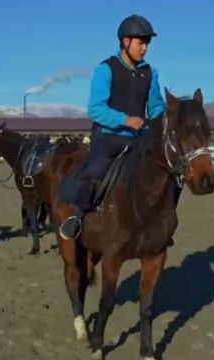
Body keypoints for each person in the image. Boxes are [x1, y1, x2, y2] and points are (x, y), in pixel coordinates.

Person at [58, 14, 167, 241]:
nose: (145, 48)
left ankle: (159, 221)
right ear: (125, 41)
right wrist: (126, 120)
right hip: (108, 138)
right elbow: (95, 108)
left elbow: (155, 107)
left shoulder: (150, 73)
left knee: (162, 174)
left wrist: (163, 119)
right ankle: (76, 217)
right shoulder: (105, 69)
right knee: (96, 171)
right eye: (141, 42)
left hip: (138, 139)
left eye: (147, 43)